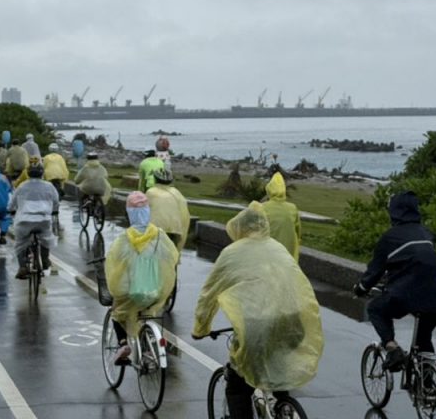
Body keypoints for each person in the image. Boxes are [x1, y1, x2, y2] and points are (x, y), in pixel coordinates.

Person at [193, 203, 323, 416]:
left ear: (240, 228)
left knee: (237, 386)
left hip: (256, 327)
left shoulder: (232, 253)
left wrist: (201, 327)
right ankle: (284, 407)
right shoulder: (278, 248)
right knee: (279, 366)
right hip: (293, 321)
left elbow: (209, 294)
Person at [353, 190, 436, 371]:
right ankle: (430, 389)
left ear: (394, 212)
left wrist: (360, 288)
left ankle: (392, 348)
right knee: (423, 340)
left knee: (375, 309)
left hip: (407, 293)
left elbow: (374, 272)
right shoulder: (427, 234)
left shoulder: (390, 237)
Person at [105, 192, 180, 362]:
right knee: (146, 311)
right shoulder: (160, 235)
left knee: (117, 312)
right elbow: (172, 257)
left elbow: (113, 264)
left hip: (131, 292)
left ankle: (123, 343)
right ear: (148, 211)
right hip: (155, 290)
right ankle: (145, 341)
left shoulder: (124, 239)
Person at [8, 161, 59, 279]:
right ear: (42, 173)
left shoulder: (22, 186)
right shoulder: (49, 186)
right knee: (46, 238)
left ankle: (22, 267)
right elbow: (56, 201)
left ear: (28, 173)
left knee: (20, 242)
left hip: (24, 221)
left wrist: (10, 210)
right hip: (44, 220)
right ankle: (45, 260)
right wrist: (55, 210)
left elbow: (12, 203)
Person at [146, 166, 191, 251]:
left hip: (155, 229)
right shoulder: (177, 193)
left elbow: (143, 213)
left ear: (155, 179)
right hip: (175, 230)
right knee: (171, 256)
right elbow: (185, 215)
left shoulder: (151, 192)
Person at [260, 171, 302, 261]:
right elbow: (298, 232)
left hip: (266, 254)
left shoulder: (262, 207)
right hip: (287, 255)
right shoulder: (292, 208)